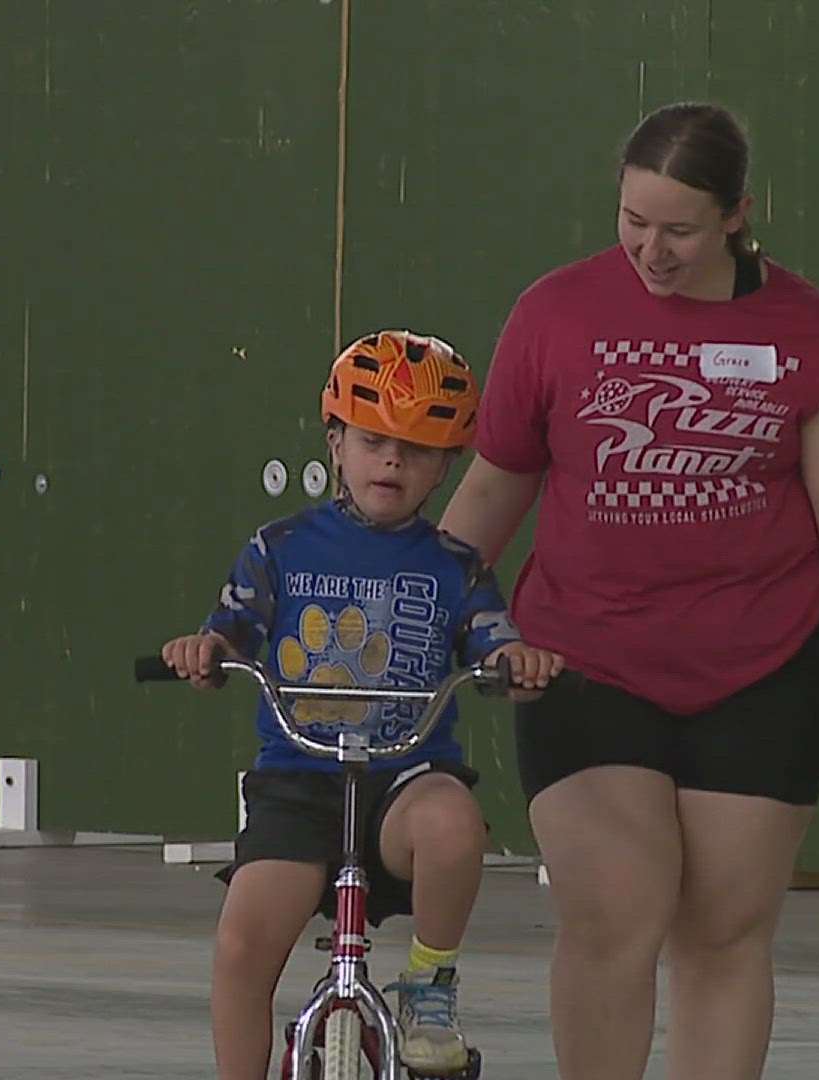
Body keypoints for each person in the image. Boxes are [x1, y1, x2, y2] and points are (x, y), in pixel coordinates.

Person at [437, 102, 819, 1080]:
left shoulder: (812, 338)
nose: (651, 249)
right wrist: (411, 609)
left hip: (764, 665)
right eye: (632, 221)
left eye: (679, 229)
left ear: (738, 214)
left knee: (724, 931)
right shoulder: (556, 313)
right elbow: (494, 485)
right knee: (616, 909)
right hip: (582, 658)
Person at [161, 330, 566, 1079]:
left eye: (418, 450)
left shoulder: (454, 565)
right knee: (242, 947)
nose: (392, 462)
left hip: (405, 778)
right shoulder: (279, 547)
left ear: (445, 466)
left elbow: (491, 641)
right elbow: (233, 631)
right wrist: (207, 652)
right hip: (300, 778)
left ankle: (430, 988)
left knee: (453, 824)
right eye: (375, 440)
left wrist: (516, 661)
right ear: (335, 441)